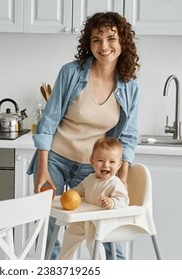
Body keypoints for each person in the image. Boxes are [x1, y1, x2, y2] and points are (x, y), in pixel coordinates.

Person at [29, 12, 140, 260]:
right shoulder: (71, 73)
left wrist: (120, 178)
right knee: (50, 228)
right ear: (88, 45)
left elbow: (129, 137)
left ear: (123, 43)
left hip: (94, 167)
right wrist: (43, 167)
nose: (104, 46)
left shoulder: (129, 85)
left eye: (111, 38)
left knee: (105, 230)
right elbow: (48, 122)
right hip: (56, 159)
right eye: (96, 39)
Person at [58, 137, 129, 260]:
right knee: (69, 234)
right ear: (92, 161)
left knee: (93, 244)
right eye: (100, 160)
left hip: (100, 224)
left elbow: (124, 200)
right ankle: (64, 262)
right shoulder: (90, 179)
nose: (106, 165)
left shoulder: (116, 184)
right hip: (85, 219)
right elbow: (78, 191)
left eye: (112, 162)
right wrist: (69, 194)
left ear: (119, 165)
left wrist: (112, 202)